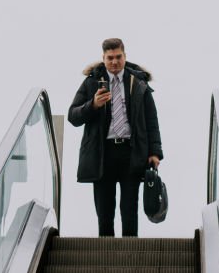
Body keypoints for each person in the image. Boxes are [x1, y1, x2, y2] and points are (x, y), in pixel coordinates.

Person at [68, 37, 163, 236]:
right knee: (104, 211)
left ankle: (130, 258)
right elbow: (73, 116)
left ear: (125, 56)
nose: (114, 62)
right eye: (109, 58)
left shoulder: (137, 81)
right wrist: (92, 105)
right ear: (103, 58)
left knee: (129, 210)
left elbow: (151, 120)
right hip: (102, 154)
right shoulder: (92, 81)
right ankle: (105, 258)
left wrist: (155, 152)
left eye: (118, 57)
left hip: (132, 152)